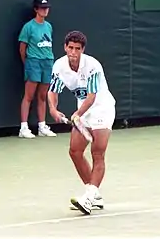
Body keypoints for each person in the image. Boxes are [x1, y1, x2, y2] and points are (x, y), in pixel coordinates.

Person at [48, 31, 116, 215]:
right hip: (83, 112)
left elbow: (92, 97)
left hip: (102, 108)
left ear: (82, 50)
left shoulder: (93, 66)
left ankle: (89, 198)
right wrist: (53, 109)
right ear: (65, 47)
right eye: (70, 48)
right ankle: (94, 195)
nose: (73, 52)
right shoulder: (59, 66)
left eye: (77, 49)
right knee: (75, 151)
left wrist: (77, 114)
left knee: (97, 152)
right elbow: (53, 91)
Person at [18, 0, 56, 138]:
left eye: (46, 8)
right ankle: (23, 128)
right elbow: (22, 48)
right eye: (42, 8)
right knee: (29, 96)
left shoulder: (48, 26)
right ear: (36, 9)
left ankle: (42, 126)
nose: (45, 10)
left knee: (42, 96)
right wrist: (28, 63)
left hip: (48, 62)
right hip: (33, 62)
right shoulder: (28, 27)